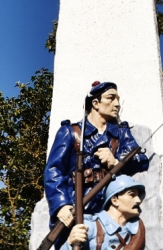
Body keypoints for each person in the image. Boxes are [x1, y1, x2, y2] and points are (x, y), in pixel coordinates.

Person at [43, 81, 149, 227]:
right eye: (111, 98)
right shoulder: (71, 132)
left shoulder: (121, 133)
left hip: (111, 206)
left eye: (117, 99)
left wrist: (115, 162)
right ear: (95, 103)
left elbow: (141, 160)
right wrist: (61, 204)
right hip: (78, 202)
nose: (117, 104)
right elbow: (54, 170)